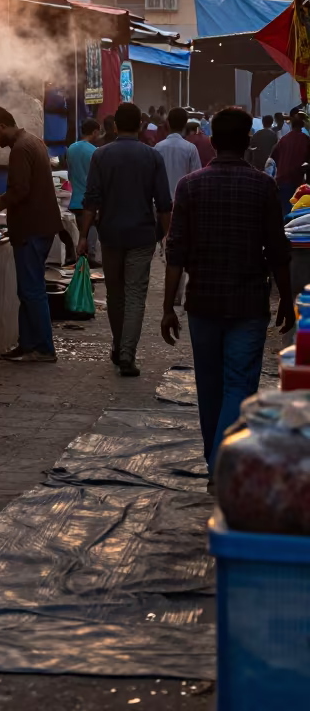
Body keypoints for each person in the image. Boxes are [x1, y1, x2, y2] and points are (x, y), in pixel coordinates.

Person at [162, 108, 294, 476]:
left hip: (202, 302)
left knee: (209, 386)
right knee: (239, 383)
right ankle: (222, 464)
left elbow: (176, 250)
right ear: (248, 143)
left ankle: (215, 461)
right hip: (249, 302)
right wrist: (286, 296)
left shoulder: (189, 185)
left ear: (214, 142)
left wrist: (168, 306)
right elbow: (278, 249)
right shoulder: (262, 186)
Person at [78, 102, 172, 376]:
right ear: (141, 126)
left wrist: (84, 236)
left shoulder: (101, 155)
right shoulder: (152, 157)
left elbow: (91, 200)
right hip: (142, 235)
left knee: (115, 294)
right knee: (135, 295)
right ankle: (127, 353)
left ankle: (120, 347)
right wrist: (167, 236)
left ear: (116, 126)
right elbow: (164, 203)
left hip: (110, 235)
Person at [0, 106, 61, 363]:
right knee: (28, 290)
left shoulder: (21, 149)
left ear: (3, 126)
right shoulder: (32, 142)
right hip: (39, 227)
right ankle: (28, 345)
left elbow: (19, 191)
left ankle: (44, 348)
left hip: (31, 229)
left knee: (32, 290)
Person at [65, 118, 101, 263]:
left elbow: (69, 173)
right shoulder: (95, 152)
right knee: (91, 226)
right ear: (95, 132)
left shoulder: (71, 149)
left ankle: (79, 257)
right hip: (89, 199)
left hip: (74, 199)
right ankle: (90, 256)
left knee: (79, 230)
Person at [270, 106, 310, 215]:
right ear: (302, 126)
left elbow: (273, 157)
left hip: (282, 179)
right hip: (296, 180)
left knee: (284, 211)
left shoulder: (283, 139)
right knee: (296, 212)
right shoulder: (305, 140)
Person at [155, 107, 201, 198]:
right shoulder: (191, 148)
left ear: (168, 123)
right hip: (184, 201)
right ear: (185, 124)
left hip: (162, 201)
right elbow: (197, 178)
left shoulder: (158, 147)